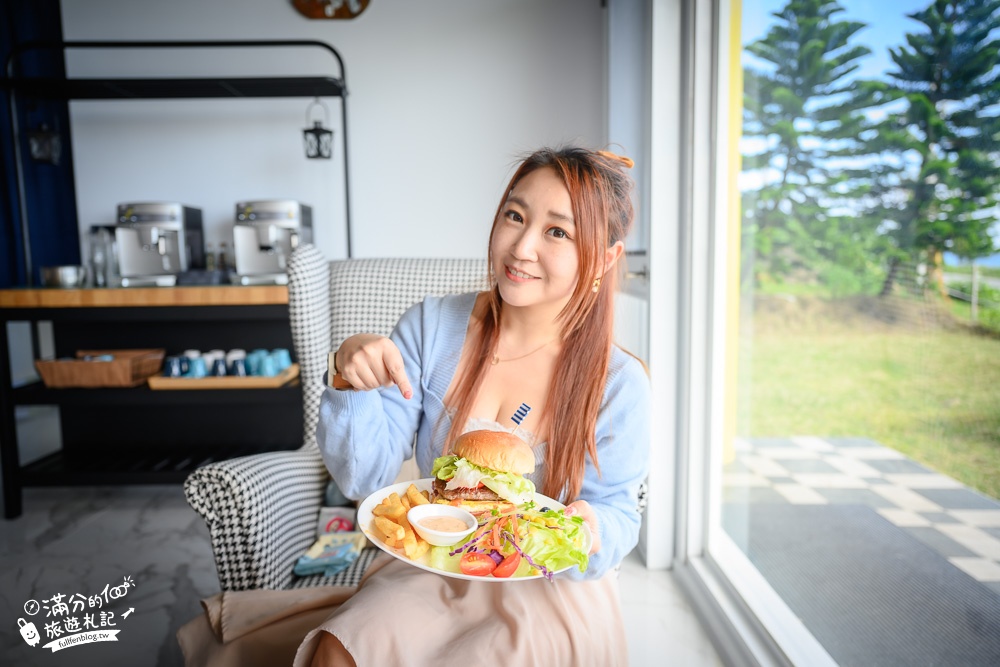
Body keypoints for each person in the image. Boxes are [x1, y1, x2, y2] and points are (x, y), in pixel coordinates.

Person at [301, 146, 651, 666]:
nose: (522, 247)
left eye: (558, 231)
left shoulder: (619, 383)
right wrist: (348, 384)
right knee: (337, 652)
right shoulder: (431, 327)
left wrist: (590, 528)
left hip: (547, 585)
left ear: (603, 258)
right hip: (435, 560)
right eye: (515, 215)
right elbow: (365, 481)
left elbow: (619, 513)